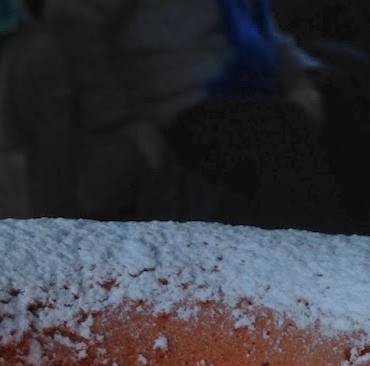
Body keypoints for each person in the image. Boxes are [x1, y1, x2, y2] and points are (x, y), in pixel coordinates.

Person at [40, 0, 347, 230]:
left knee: (352, 89)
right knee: (277, 130)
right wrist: (120, 119)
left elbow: (264, 30)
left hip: (252, 83)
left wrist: (301, 78)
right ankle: (312, 277)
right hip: (178, 102)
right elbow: (71, 25)